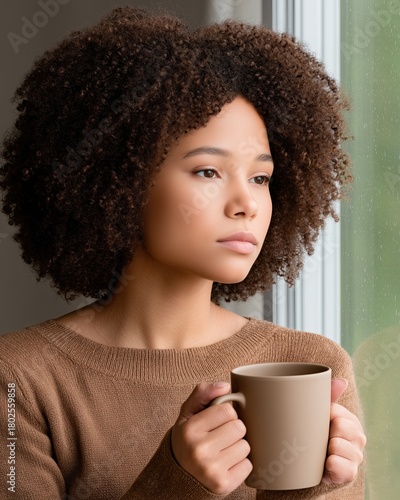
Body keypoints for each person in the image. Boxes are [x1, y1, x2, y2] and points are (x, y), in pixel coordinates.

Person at [0, 6, 365, 499]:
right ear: (120, 181)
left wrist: (309, 489)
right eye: (208, 172)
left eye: (260, 178)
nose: (247, 205)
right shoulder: (20, 377)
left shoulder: (309, 365)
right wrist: (178, 481)